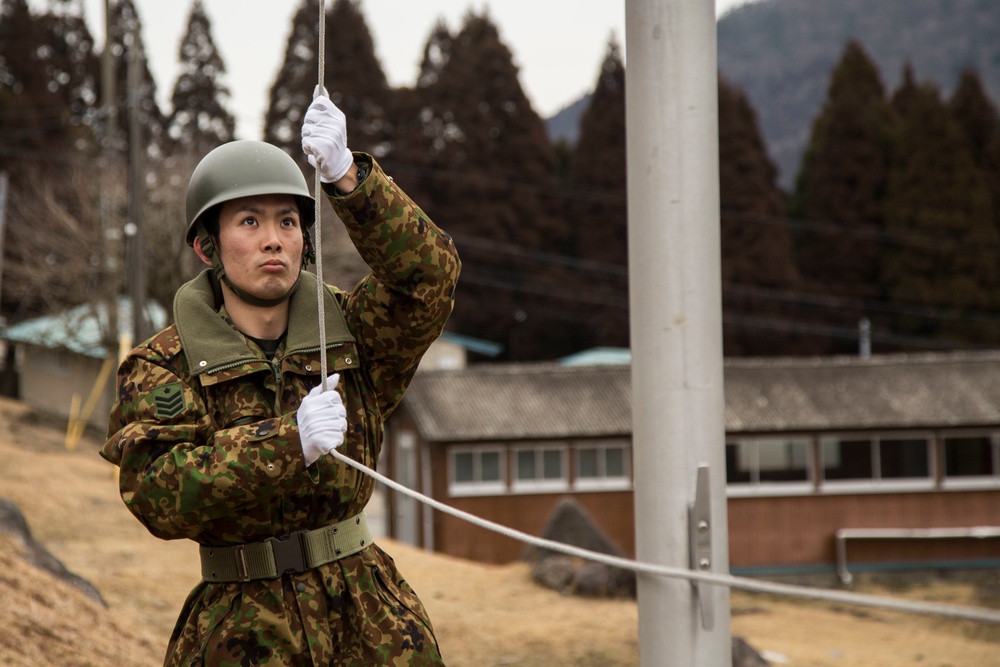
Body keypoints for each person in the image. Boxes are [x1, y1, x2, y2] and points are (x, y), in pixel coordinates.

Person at [101, 93, 460, 666]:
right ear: (206, 248)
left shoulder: (353, 335)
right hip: (240, 628)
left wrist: (349, 179)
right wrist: (286, 443)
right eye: (250, 221)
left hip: (369, 618)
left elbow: (430, 279)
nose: (274, 238)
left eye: (288, 221)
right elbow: (159, 493)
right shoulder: (162, 364)